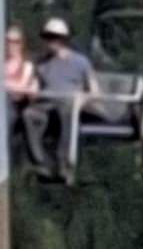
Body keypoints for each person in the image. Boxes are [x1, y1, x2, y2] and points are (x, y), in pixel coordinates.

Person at [23, 14, 95, 183]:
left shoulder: (80, 62)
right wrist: (32, 91)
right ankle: (40, 163)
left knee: (67, 108)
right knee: (29, 114)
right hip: (47, 103)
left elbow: (93, 89)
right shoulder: (41, 63)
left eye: (54, 38)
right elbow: (35, 85)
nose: (50, 42)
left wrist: (82, 101)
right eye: (47, 38)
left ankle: (64, 163)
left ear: (63, 40)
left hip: (69, 103)